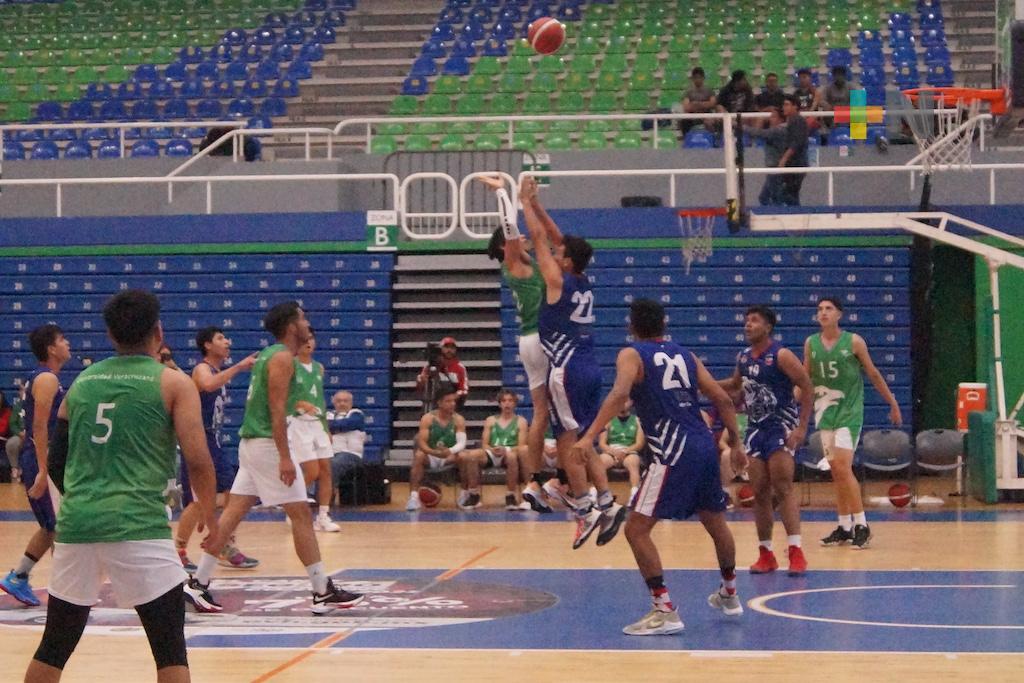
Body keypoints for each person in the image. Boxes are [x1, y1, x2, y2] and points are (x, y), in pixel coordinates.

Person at [23, 290, 219, 683]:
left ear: (111, 336)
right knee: (169, 650)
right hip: (138, 526)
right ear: (158, 332)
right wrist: (210, 515)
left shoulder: (81, 382)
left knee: (55, 644)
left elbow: (58, 459)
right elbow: (198, 459)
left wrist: (82, 496)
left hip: (78, 525)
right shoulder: (174, 383)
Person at [572, 299, 747, 635]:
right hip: (704, 445)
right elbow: (723, 399)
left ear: (632, 325)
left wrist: (588, 436)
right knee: (714, 520)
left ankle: (664, 609)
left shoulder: (632, 354)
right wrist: (736, 444)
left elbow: (618, 394)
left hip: (674, 450)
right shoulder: (686, 355)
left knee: (635, 529)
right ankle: (730, 593)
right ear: (664, 324)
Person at [183, 301, 363, 614]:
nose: (308, 324)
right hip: (267, 445)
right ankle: (322, 590)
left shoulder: (270, 354)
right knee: (301, 516)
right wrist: (284, 457)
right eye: (303, 318)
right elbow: (277, 410)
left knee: (233, 513)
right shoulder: (281, 357)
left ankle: (197, 583)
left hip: (252, 443)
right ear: (292, 325)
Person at [520, 175, 626, 549]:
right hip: (590, 367)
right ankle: (607, 501)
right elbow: (558, 239)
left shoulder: (557, 281)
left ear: (566, 262)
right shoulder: (583, 280)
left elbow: (538, 241)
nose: (556, 252)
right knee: (585, 439)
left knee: (568, 442)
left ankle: (584, 509)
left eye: (560, 253)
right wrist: (537, 204)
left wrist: (523, 205)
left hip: (565, 372)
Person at [481, 174, 558, 513]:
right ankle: (544, 480)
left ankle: (542, 481)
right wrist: (502, 193)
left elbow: (537, 236)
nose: (523, 238)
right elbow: (511, 229)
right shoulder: (514, 264)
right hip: (538, 338)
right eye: (515, 239)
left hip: (533, 340)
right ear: (505, 247)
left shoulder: (530, 265)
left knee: (548, 411)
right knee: (552, 412)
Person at [718, 305, 814, 577]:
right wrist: (705, 384)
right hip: (756, 429)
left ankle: (796, 551)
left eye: (754, 321)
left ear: (768, 327)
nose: (748, 324)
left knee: (783, 486)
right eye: (746, 320)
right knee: (759, 491)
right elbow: (736, 386)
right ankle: (766, 553)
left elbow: (807, 387)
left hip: (781, 427)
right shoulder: (744, 357)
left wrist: (802, 427)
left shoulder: (781, 355)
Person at [806, 298, 903, 549]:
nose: (823, 313)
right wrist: (794, 399)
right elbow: (806, 378)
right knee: (837, 472)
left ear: (839, 314)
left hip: (849, 413)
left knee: (841, 465)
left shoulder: (854, 341)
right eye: (820, 309)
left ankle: (862, 524)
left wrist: (892, 402)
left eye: (828, 309)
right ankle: (844, 526)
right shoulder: (811, 343)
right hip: (825, 413)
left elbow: (872, 373)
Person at [175, 327, 259, 572]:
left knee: (233, 496)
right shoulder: (203, 368)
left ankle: (223, 542)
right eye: (221, 338)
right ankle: (179, 550)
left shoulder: (219, 371)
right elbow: (208, 385)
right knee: (199, 501)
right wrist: (240, 367)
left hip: (215, 441)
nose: (227, 341)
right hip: (198, 441)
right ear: (207, 345)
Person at [0, 325, 71, 607]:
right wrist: (43, 469)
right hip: (43, 458)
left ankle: (19, 576)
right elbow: (39, 427)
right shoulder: (46, 379)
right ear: (51, 348)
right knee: (59, 526)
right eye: (63, 339)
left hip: (47, 457)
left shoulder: (46, 378)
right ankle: (65, 590)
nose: (68, 344)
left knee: (51, 526)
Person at [289, 327, 340, 532]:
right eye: (304, 340)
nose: (308, 343)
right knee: (311, 470)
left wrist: (325, 426)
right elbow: (282, 396)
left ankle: (323, 516)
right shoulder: (290, 365)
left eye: (311, 339)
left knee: (327, 469)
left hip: (317, 422)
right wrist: (300, 403)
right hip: (298, 423)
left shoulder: (319, 367)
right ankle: (291, 505)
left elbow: (320, 398)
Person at [406, 385, 482, 511]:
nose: (452, 404)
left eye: (453, 401)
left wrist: (449, 451)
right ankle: (413, 497)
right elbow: (422, 442)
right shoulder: (428, 419)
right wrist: (433, 452)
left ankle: (464, 494)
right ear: (439, 403)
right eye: (448, 401)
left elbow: (461, 443)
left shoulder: (458, 419)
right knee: (419, 455)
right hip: (430, 454)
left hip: (449, 456)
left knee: (464, 456)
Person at [478, 388, 527, 511]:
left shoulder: (521, 421)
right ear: (499, 403)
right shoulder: (490, 420)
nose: (507, 403)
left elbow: (521, 446)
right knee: (471, 456)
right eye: (504, 401)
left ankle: (510, 495)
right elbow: (484, 444)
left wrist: (505, 449)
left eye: (510, 400)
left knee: (512, 457)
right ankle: (472, 493)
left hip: (510, 452)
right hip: (492, 451)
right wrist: (493, 449)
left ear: (515, 403)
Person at [596, 398, 645, 503]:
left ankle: (634, 493)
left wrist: (625, 451)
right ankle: (599, 493)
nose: (623, 403)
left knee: (633, 462)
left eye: (626, 401)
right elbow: (602, 443)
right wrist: (613, 452)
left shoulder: (637, 421)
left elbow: (639, 443)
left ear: (631, 402)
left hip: (629, 451)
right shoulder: (608, 420)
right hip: (612, 451)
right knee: (600, 461)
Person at [744, 106, 789, 206]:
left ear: (781, 119)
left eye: (773, 117)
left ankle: (779, 216)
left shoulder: (778, 131)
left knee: (775, 198)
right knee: (765, 198)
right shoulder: (779, 130)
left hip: (776, 169)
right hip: (773, 169)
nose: (770, 119)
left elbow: (759, 133)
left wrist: (742, 127)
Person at [415, 336, 469, 408]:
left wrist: (453, 397)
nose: (449, 350)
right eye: (446, 347)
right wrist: (421, 380)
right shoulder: (429, 367)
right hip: (433, 406)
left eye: (452, 348)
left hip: (452, 408)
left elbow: (464, 389)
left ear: (456, 350)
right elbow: (420, 387)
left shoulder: (460, 368)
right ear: (441, 349)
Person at [326, 390, 366, 484]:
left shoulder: (357, 414)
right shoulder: (328, 414)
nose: (342, 403)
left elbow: (346, 424)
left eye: (345, 401)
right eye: (339, 401)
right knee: (313, 465)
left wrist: (329, 428)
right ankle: (312, 495)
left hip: (350, 455)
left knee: (333, 464)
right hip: (328, 454)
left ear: (351, 403)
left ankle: (329, 491)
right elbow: (319, 427)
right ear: (334, 402)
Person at [779, 94, 809, 206]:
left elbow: (796, 142)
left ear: (795, 106)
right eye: (783, 105)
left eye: (787, 105)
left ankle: (797, 215)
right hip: (794, 163)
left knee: (788, 193)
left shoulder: (798, 121)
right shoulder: (792, 121)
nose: (784, 107)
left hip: (797, 163)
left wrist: (784, 159)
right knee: (791, 193)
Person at [680, 67, 718, 136]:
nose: (697, 80)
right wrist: (704, 105)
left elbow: (713, 104)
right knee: (684, 121)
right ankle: (686, 140)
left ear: (703, 78)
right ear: (692, 79)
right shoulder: (688, 92)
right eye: (695, 78)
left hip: (707, 115)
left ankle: (714, 140)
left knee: (714, 120)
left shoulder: (709, 90)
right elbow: (686, 107)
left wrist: (697, 104)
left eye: (699, 77)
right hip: (693, 116)